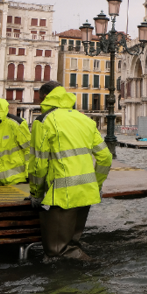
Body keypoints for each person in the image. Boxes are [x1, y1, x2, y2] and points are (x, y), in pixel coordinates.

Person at [28, 81, 112, 260]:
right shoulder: (85, 120)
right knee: (72, 244)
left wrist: (36, 193)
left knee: (57, 251)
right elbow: (105, 157)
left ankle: (94, 272)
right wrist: (96, 185)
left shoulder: (43, 121)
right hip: (85, 193)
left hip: (60, 196)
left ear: (44, 98)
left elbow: (38, 164)